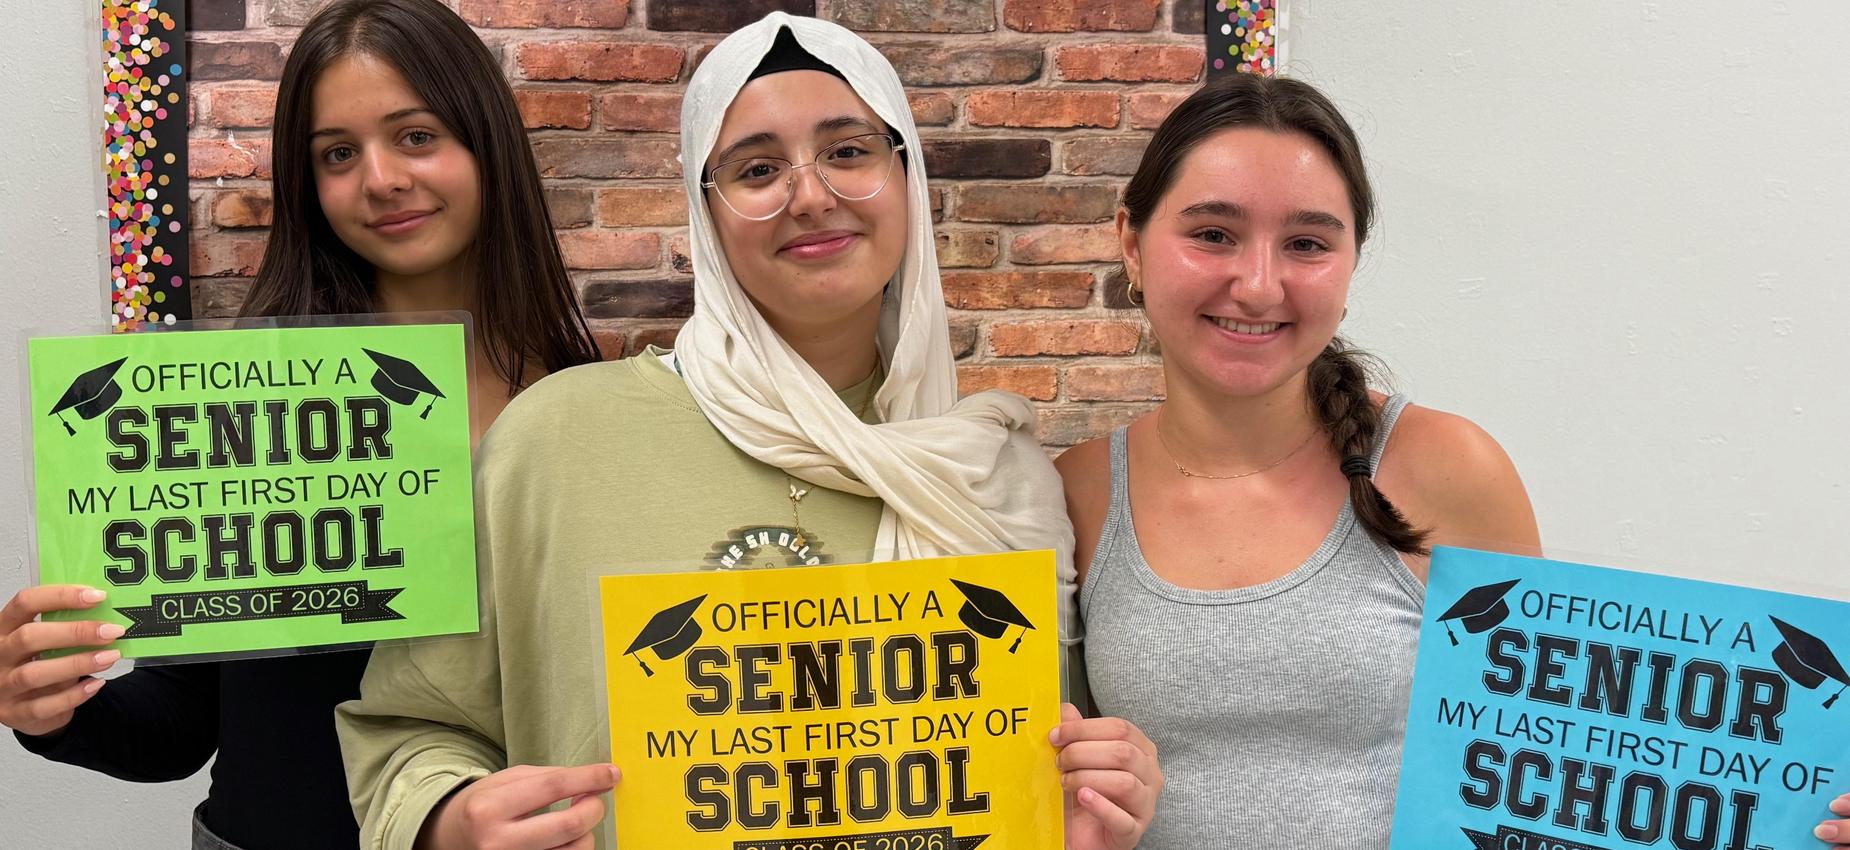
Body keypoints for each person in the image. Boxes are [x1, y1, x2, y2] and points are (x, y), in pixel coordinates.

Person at [336, 13, 1160, 850]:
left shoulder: (998, 475)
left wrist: (1096, 802)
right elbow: (410, 729)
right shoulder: (554, 442)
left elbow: (1040, 767)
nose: (810, 196)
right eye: (757, 168)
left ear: (907, 175)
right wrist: (450, 825)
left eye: (848, 151)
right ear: (705, 211)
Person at [1059, 70, 1850, 849]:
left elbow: (1571, 773)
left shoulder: (1449, 468)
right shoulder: (1074, 494)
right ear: (1131, 242)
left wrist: (1807, 811)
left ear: (1350, 262)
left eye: (1306, 243)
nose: (1259, 284)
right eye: (1212, 234)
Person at [0, 1, 599, 847]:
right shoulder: (250, 407)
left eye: (417, 135)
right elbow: (180, 722)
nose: (381, 179)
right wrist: (54, 708)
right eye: (338, 154)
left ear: (485, 143)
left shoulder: (593, 410)